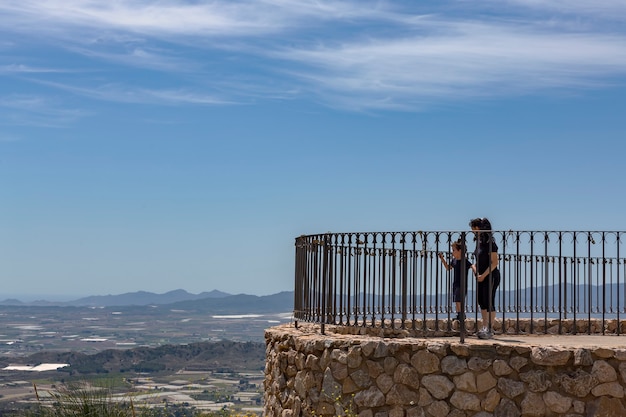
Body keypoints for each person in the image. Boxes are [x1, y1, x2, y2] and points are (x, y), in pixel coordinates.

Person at [469, 217, 500, 339]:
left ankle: (490, 329)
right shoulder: (479, 243)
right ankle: (484, 326)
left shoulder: (490, 243)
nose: (473, 231)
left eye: (474, 228)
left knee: (489, 300)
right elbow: (477, 261)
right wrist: (475, 271)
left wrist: (484, 275)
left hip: (490, 276)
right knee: (481, 301)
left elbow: (494, 262)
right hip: (480, 276)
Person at [438, 240, 471, 322]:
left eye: (454, 250)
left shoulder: (465, 261)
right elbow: (448, 268)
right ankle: (459, 314)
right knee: (456, 299)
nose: (452, 252)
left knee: (460, 299)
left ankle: (461, 314)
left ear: (460, 251)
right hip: (455, 283)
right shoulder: (454, 261)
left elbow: (472, 266)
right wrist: (442, 259)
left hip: (462, 283)